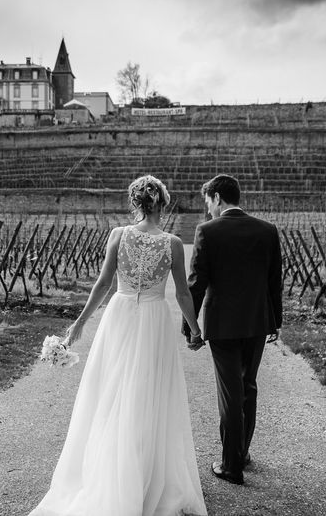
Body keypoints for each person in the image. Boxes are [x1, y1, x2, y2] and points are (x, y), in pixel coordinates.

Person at [29, 175, 208, 516]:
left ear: (135, 203)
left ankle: (113, 470)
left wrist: (79, 325)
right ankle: (141, 472)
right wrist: (195, 330)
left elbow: (103, 283)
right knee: (148, 393)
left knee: (112, 391)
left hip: (120, 314)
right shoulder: (171, 243)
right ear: (163, 205)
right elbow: (183, 294)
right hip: (154, 318)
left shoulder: (118, 235)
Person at [183, 174, 282, 486]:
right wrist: (275, 321)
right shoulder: (267, 230)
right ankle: (241, 452)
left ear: (217, 198)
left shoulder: (207, 231)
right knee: (248, 387)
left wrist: (190, 327)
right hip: (256, 322)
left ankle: (231, 466)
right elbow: (273, 280)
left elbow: (196, 283)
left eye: (208, 203)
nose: (208, 209)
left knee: (230, 394)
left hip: (222, 326)